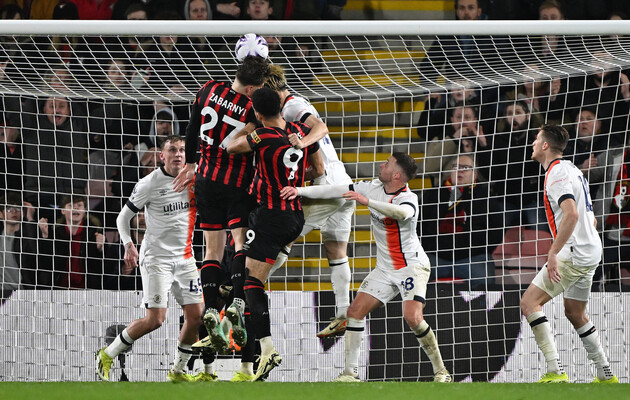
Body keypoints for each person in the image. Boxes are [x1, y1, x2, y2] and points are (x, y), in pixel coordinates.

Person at [281, 153, 451, 383]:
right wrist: (299, 191)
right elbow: (335, 189)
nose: (382, 164)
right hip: (384, 269)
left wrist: (367, 202)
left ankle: (441, 371)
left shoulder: (408, 198)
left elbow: (402, 213)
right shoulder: (372, 187)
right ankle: (350, 373)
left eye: (387, 163)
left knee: (412, 317)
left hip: (411, 267)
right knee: (354, 313)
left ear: (397, 175)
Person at [173, 56, 270, 358]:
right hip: (236, 183)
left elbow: (191, 128)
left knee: (211, 250)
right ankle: (237, 302)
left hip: (205, 180)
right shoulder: (251, 107)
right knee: (240, 243)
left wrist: (191, 164)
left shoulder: (208, 88)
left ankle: (211, 308)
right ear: (252, 88)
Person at [226, 87, 323, 382]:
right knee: (251, 280)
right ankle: (247, 362)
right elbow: (318, 169)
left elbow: (231, 147)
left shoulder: (262, 136)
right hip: (295, 216)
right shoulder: (299, 131)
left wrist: (250, 127)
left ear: (258, 113)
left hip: (271, 216)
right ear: (281, 108)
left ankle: (267, 350)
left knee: (251, 283)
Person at [96, 135, 204, 383]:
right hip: (157, 259)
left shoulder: (195, 178)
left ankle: (178, 371)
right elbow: (122, 218)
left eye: (182, 150)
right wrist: (129, 245)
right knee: (155, 320)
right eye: (172, 150)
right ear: (161, 156)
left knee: (196, 316)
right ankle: (107, 354)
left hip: (185, 258)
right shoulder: (149, 183)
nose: (178, 154)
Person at [520, 124, 618, 384]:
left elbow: (572, 214)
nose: (532, 143)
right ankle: (606, 374)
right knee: (575, 312)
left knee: (529, 303)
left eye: (536, 139)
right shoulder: (573, 169)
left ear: (545, 145)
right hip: (591, 249)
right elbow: (590, 218)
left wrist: (554, 252)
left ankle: (555, 370)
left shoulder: (556, 173)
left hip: (574, 252)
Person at [264, 64, 354, 338]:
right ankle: (343, 313)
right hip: (342, 182)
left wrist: (302, 143)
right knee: (336, 250)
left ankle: (247, 288)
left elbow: (321, 127)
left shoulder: (292, 106)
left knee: (284, 236)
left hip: (326, 183)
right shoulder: (294, 103)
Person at [420, 154, 498, 289]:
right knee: (413, 277)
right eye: (456, 167)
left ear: (474, 174)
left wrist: (477, 249)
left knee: (484, 280)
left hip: (473, 258)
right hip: (435, 256)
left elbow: (496, 230)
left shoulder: (485, 196)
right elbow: (418, 226)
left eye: (465, 168)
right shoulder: (433, 194)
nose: (460, 171)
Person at [37, 194, 108, 289]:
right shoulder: (55, 233)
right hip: (60, 288)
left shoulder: (95, 232)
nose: (75, 208)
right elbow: (45, 264)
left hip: (88, 289)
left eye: (79, 205)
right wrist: (45, 236)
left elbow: (105, 266)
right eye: (71, 205)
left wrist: (101, 249)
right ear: (63, 211)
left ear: (85, 210)